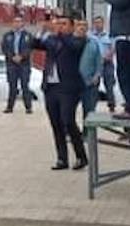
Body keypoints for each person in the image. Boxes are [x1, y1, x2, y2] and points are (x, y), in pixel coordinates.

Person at [32, 17, 89, 171]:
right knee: (56, 124)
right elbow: (35, 44)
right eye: (58, 23)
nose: (60, 27)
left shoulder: (78, 39)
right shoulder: (52, 40)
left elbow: (73, 47)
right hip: (51, 87)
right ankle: (62, 159)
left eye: (64, 24)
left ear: (71, 27)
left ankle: (81, 156)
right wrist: (43, 30)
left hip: (68, 88)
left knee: (68, 121)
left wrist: (60, 33)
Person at [1, 16, 33, 114]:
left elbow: (30, 48)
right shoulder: (7, 35)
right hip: (12, 64)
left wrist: (21, 56)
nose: (17, 23)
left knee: (25, 85)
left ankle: (28, 107)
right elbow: (4, 48)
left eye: (19, 21)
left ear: (22, 23)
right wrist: (12, 57)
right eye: (15, 21)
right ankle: (10, 107)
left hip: (24, 64)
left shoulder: (28, 35)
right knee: (12, 86)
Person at [79, 21, 104, 119]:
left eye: (84, 25)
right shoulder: (70, 42)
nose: (82, 28)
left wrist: (97, 75)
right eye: (79, 25)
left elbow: (99, 61)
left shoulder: (93, 43)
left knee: (89, 112)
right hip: (73, 82)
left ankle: (89, 134)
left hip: (90, 83)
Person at [91, 17, 116, 111]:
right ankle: (92, 106)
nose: (98, 25)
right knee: (94, 86)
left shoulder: (109, 36)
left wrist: (106, 56)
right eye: (96, 23)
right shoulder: (90, 36)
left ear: (103, 24)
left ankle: (112, 105)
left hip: (107, 64)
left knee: (109, 85)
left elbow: (113, 49)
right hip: (94, 64)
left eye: (99, 22)